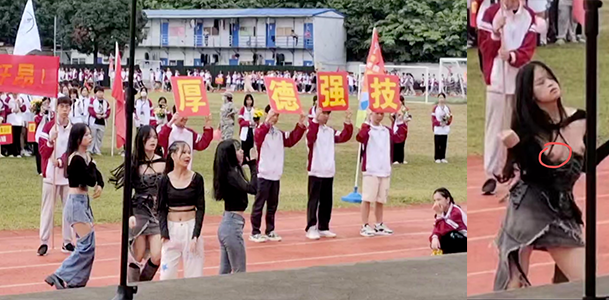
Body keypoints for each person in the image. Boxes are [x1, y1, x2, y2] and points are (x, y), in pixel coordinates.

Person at [493, 61, 609, 290]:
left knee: (586, 282)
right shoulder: (528, 131)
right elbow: (541, 173)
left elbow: (586, 165)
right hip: (529, 207)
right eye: (540, 82)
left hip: (562, 206)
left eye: (549, 77)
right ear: (531, 95)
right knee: (514, 284)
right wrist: (518, 146)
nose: (550, 84)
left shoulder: (581, 119)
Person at [477, 0, 537, 195]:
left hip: (519, 80)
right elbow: (483, 48)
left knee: (519, 126)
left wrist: (512, 56)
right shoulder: (490, 13)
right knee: (495, 126)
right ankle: (491, 172)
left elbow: (528, 49)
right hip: (497, 79)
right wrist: (495, 34)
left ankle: (519, 170)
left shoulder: (528, 16)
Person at [44, 123, 104, 289]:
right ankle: (60, 274)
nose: (90, 137)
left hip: (84, 203)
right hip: (76, 203)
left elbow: (97, 176)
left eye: (90, 134)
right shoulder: (76, 159)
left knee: (88, 246)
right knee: (86, 245)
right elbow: (90, 179)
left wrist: (100, 182)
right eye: (86, 135)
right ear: (78, 138)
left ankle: (77, 281)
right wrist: (92, 166)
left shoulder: (86, 157)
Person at [109, 126, 164, 283]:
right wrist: (130, 215)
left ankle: (141, 284)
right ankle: (132, 288)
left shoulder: (163, 162)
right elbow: (127, 193)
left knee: (157, 255)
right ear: (141, 141)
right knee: (138, 254)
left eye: (155, 137)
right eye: (149, 138)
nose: (153, 140)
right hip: (139, 211)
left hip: (156, 213)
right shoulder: (134, 163)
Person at [250, 105, 307, 243]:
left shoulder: (279, 133)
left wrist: (300, 125)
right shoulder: (260, 130)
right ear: (266, 114)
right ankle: (255, 231)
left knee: (272, 204)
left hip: (275, 174)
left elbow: (291, 139)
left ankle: (270, 230)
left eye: (277, 115)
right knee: (259, 203)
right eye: (272, 114)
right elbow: (258, 137)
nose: (275, 118)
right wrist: (267, 122)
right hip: (264, 173)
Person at [157, 141, 205, 280]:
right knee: (166, 277)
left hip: (190, 229)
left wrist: (195, 234)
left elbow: (201, 208)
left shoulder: (197, 179)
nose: (187, 155)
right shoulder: (164, 180)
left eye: (189, 152)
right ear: (173, 155)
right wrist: (164, 234)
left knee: (194, 277)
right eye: (183, 152)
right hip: (172, 230)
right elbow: (160, 208)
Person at [305, 106, 353, 240]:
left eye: (327, 113)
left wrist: (347, 121)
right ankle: (311, 226)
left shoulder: (330, 131)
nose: (325, 116)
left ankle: (323, 226)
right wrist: (315, 119)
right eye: (323, 113)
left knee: (327, 201)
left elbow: (344, 136)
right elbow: (311, 138)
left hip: (328, 171)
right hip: (315, 170)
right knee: (314, 200)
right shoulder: (311, 129)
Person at [356, 111, 407, 237]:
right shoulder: (367, 129)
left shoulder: (386, 131)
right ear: (371, 114)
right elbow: (360, 137)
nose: (379, 116)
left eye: (381, 114)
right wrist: (366, 123)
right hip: (371, 169)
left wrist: (400, 122)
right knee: (367, 198)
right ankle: (365, 225)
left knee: (380, 200)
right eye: (376, 113)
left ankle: (379, 224)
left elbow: (399, 138)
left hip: (384, 169)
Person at [213, 139, 257, 274]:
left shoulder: (230, 172)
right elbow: (253, 188)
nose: (242, 151)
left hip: (229, 224)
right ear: (230, 154)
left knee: (225, 271)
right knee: (239, 271)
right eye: (238, 149)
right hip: (232, 226)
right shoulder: (232, 174)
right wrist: (253, 166)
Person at [37, 96, 75, 256]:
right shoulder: (48, 127)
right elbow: (42, 152)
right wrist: (51, 142)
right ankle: (44, 241)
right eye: (62, 106)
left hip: (66, 175)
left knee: (68, 210)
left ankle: (67, 242)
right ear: (56, 108)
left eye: (67, 106)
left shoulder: (73, 128)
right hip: (50, 175)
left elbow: (73, 150)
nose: (65, 109)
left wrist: (61, 161)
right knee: (48, 209)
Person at [430, 188, 467, 254]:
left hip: (465, 240)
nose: (436, 203)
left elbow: (444, 229)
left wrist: (439, 215)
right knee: (438, 239)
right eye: (435, 200)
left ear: (447, 200)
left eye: (439, 200)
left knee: (450, 236)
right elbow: (437, 228)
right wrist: (434, 237)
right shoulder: (442, 212)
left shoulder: (455, 213)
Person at [87, 86, 111, 155]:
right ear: (95, 93)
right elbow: (90, 110)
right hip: (94, 121)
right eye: (99, 92)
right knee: (92, 136)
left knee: (99, 137)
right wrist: (96, 115)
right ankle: (90, 149)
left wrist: (105, 115)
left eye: (101, 92)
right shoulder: (92, 101)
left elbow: (108, 110)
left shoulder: (105, 102)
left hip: (102, 122)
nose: (100, 94)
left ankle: (97, 149)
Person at [34, 98, 54, 175]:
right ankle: (39, 169)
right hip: (39, 135)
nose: (46, 105)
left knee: (46, 152)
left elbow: (53, 121)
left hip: (47, 135)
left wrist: (51, 113)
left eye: (48, 103)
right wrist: (41, 113)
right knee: (38, 153)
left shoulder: (51, 113)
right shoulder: (38, 114)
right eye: (45, 103)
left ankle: (45, 168)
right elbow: (37, 121)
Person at [431, 93, 452, 163]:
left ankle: (443, 157)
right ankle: (437, 157)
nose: (441, 99)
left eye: (442, 98)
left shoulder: (447, 108)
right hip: (438, 128)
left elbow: (450, 117)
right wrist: (439, 123)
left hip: (444, 128)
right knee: (437, 143)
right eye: (440, 98)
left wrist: (446, 122)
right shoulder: (435, 108)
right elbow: (433, 118)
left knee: (444, 143)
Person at [391, 96, 411, 165]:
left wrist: (406, 119)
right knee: (396, 142)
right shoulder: (394, 108)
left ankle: (401, 159)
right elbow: (391, 117)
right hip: (397, 126)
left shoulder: (405, 109)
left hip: (403, 126)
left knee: (402, 142)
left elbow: (408, 117)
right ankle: (395, 159)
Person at [5, 93, 26, 157]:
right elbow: (5, 110)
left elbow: (24, 109)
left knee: (17, 136)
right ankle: (10, 152)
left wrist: (20, 104)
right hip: (11, 120)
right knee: (11, 136)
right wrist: (12, 110)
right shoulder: (8, 99)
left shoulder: (21, 99)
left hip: (18, 121)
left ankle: (18, 152)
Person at [238, 94, 256, 160]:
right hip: (245, 130)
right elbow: (240, 121)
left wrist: (255, 123)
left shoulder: (254, 109)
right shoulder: (243, 109)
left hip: (252, 130)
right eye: (247, 100)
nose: (249, 101)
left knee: (251, 146)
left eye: (250, 100)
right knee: (244, 146)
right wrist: (249, 123)